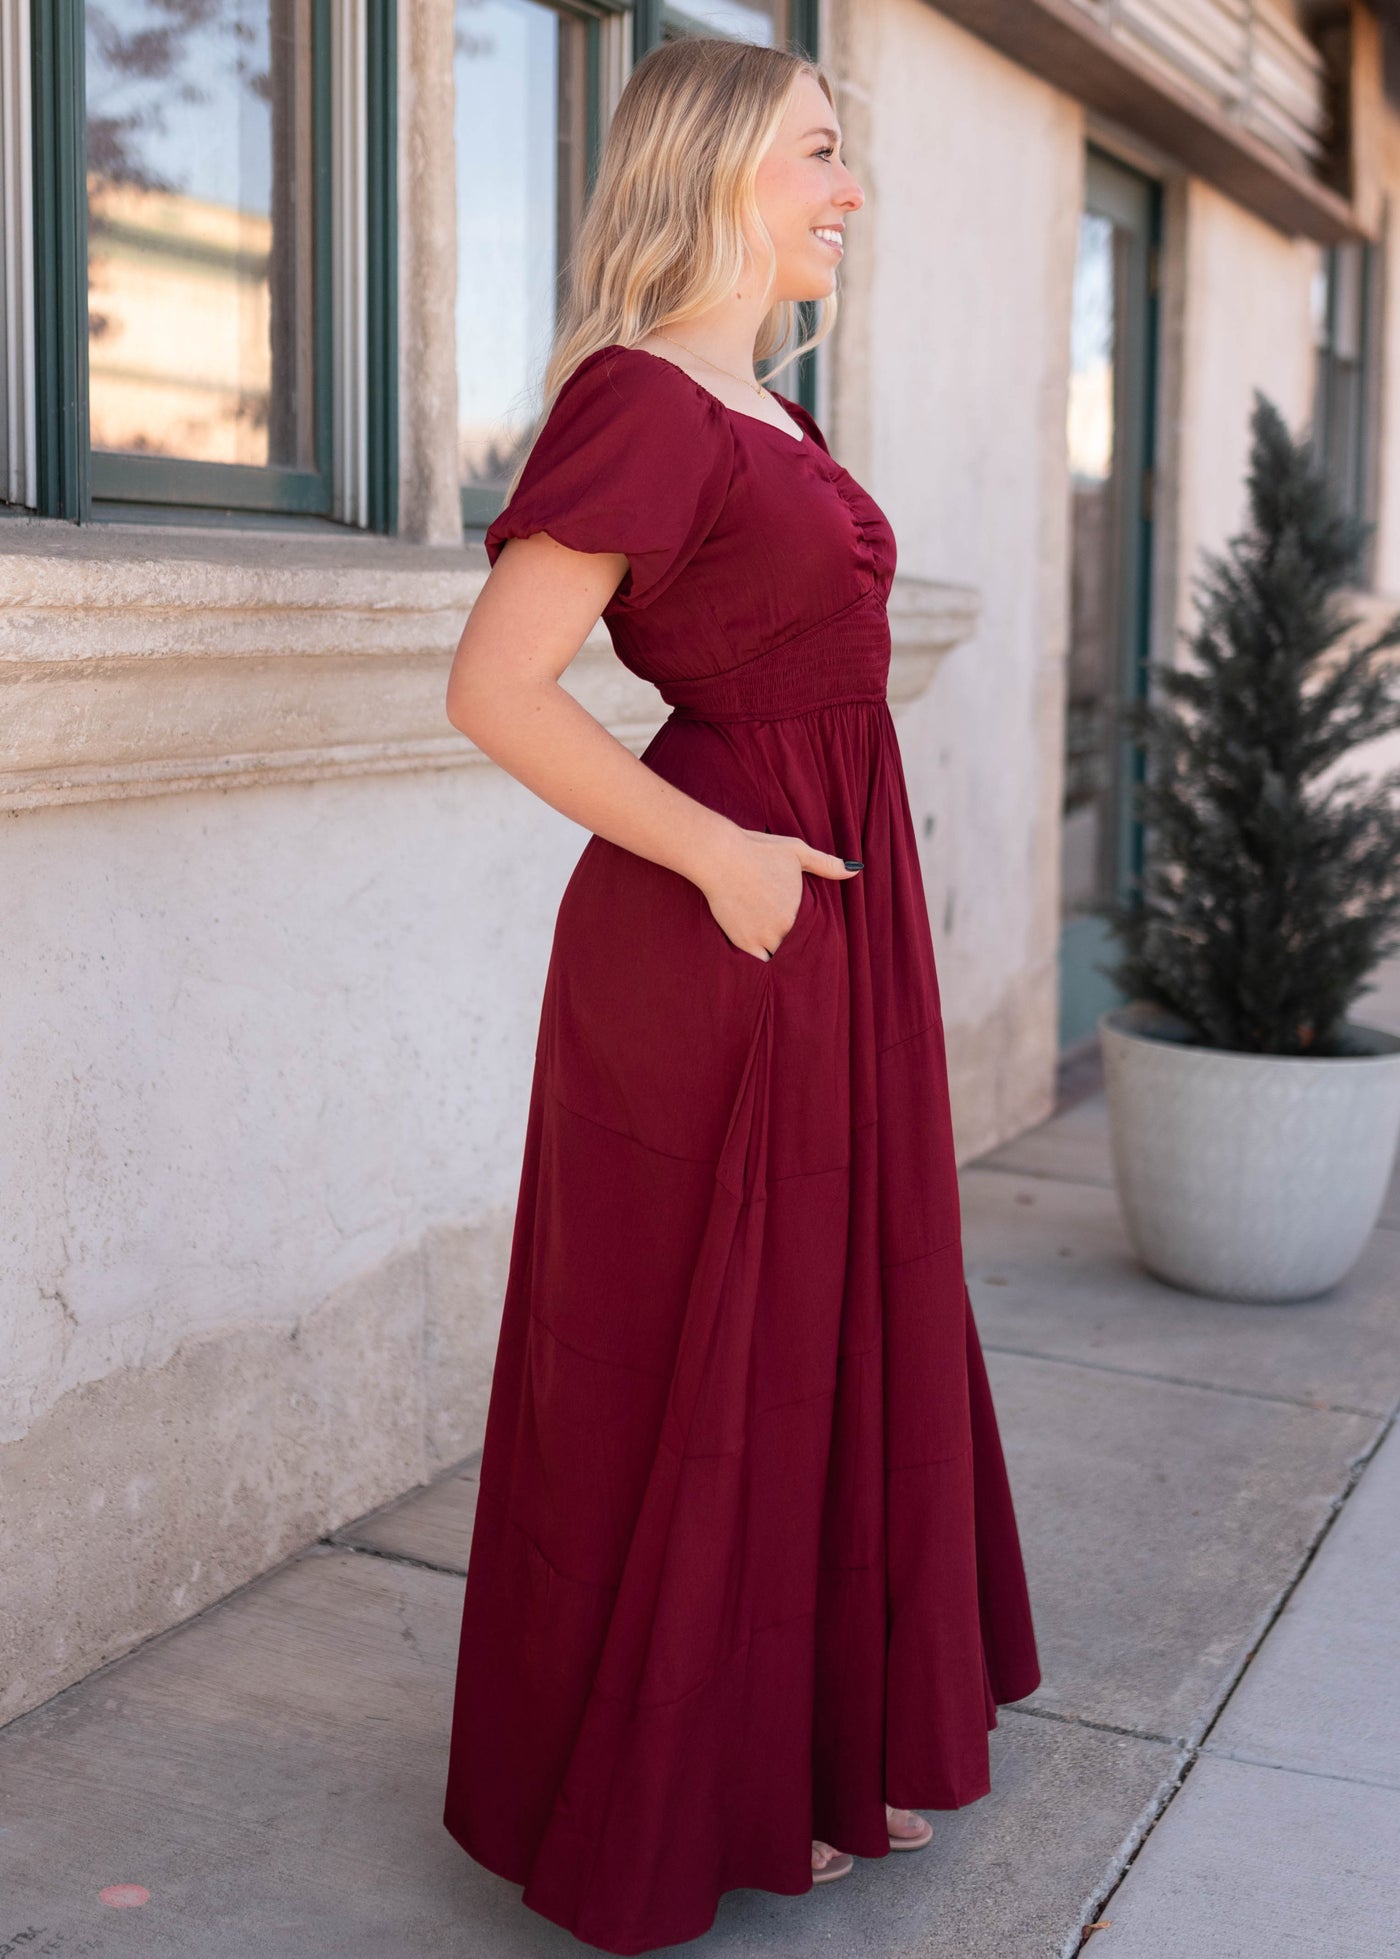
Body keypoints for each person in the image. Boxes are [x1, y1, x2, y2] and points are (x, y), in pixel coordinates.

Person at [440, 34, 1041, 1955]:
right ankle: (670, 1786)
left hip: (812, 907)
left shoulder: (754, 403)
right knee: (715, 1340)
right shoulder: (641, 400)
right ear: (714, 170)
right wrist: (725, 860)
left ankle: (796, 1758)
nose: (848, 192)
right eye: (819, 154)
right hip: (728, 925)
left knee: (829, 1318)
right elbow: (498, 688)